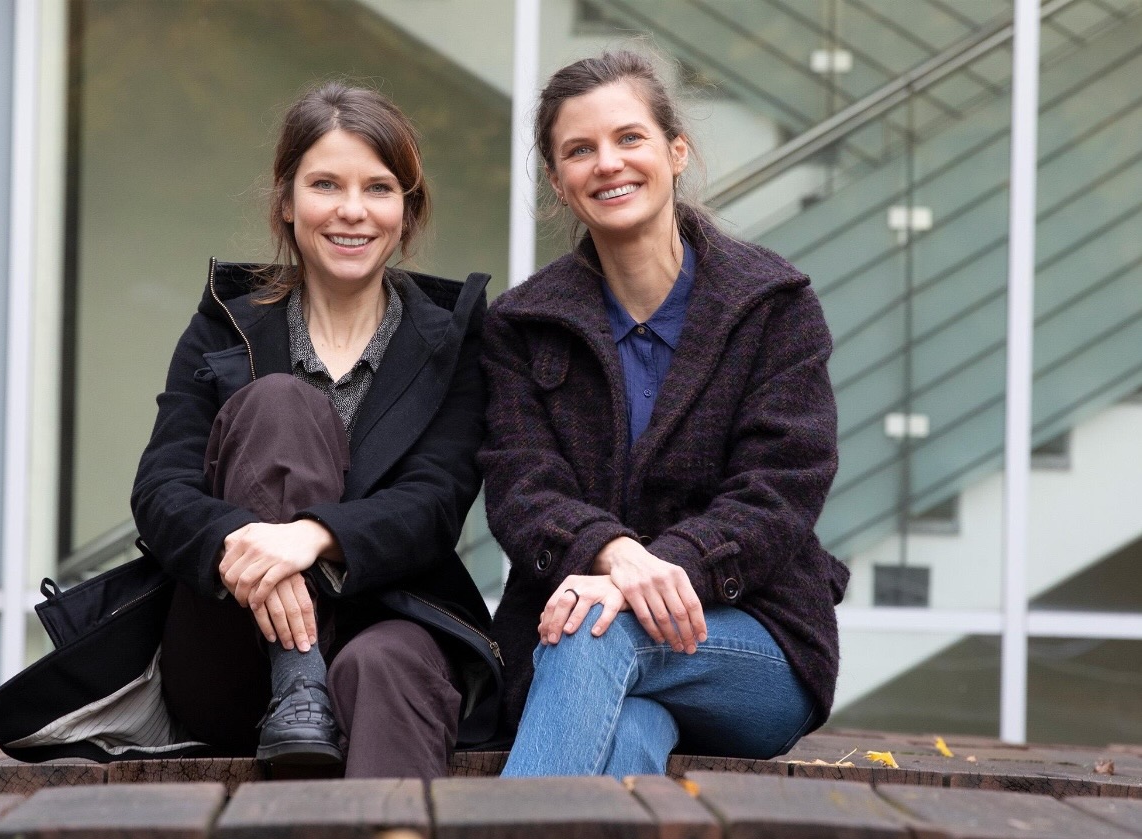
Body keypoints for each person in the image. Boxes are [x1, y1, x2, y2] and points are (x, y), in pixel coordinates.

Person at [480, 51, 849, 778]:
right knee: (630, 728)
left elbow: (779, 490)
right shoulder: (520, 325)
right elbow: (522, 488)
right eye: (579, 150)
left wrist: (646, 575)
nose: (607, 163)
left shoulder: (774, 305)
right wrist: (615, 555)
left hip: (756, 643)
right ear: (558, 182)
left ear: (676, 151)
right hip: (579, 640)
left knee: (597, 630)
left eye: (629, 138)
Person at [131, 82, 498, 779]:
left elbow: (436, 500)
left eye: (379, 188)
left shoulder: (452, 336)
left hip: (391, 619)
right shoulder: (227, 321)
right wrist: (238, 539)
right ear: (286, 201)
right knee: (280, 404)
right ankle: (296, 679)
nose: (352, 210)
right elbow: (160, 489)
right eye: (326, 183)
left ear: (406, 209)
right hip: (230, 644)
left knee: (384, 664)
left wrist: (311, 536)